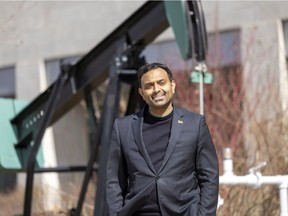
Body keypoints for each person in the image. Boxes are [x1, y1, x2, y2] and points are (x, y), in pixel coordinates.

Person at [106, 62, 219, 216]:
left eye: (161, 83)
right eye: (149, 86)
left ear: (172, 85)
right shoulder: (123, 128)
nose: (156, 89)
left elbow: (209, 176)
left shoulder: (195, 124)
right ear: (141, 93)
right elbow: (114, 180)